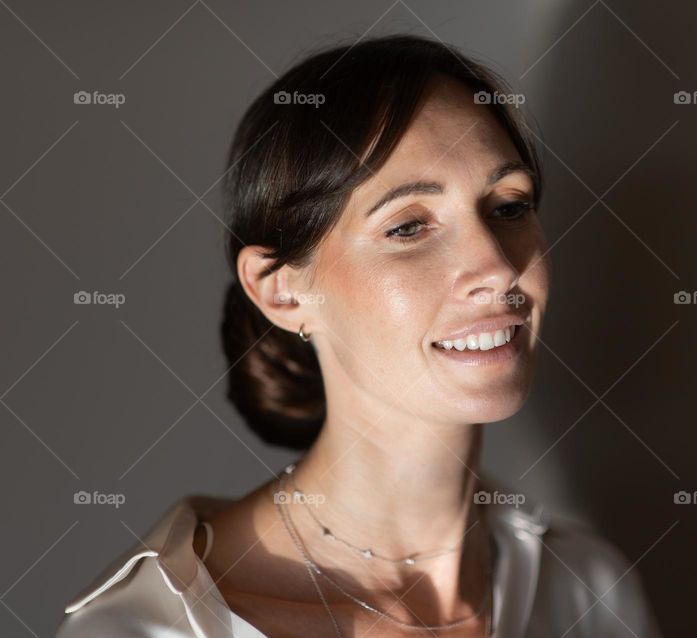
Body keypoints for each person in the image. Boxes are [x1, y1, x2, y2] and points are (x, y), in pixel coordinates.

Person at [55, 34, 662, 637]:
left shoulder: (589, 589)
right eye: (408, 226)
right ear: (283, 292)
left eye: (508, 206)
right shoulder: (146, 630)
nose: (499, 268)